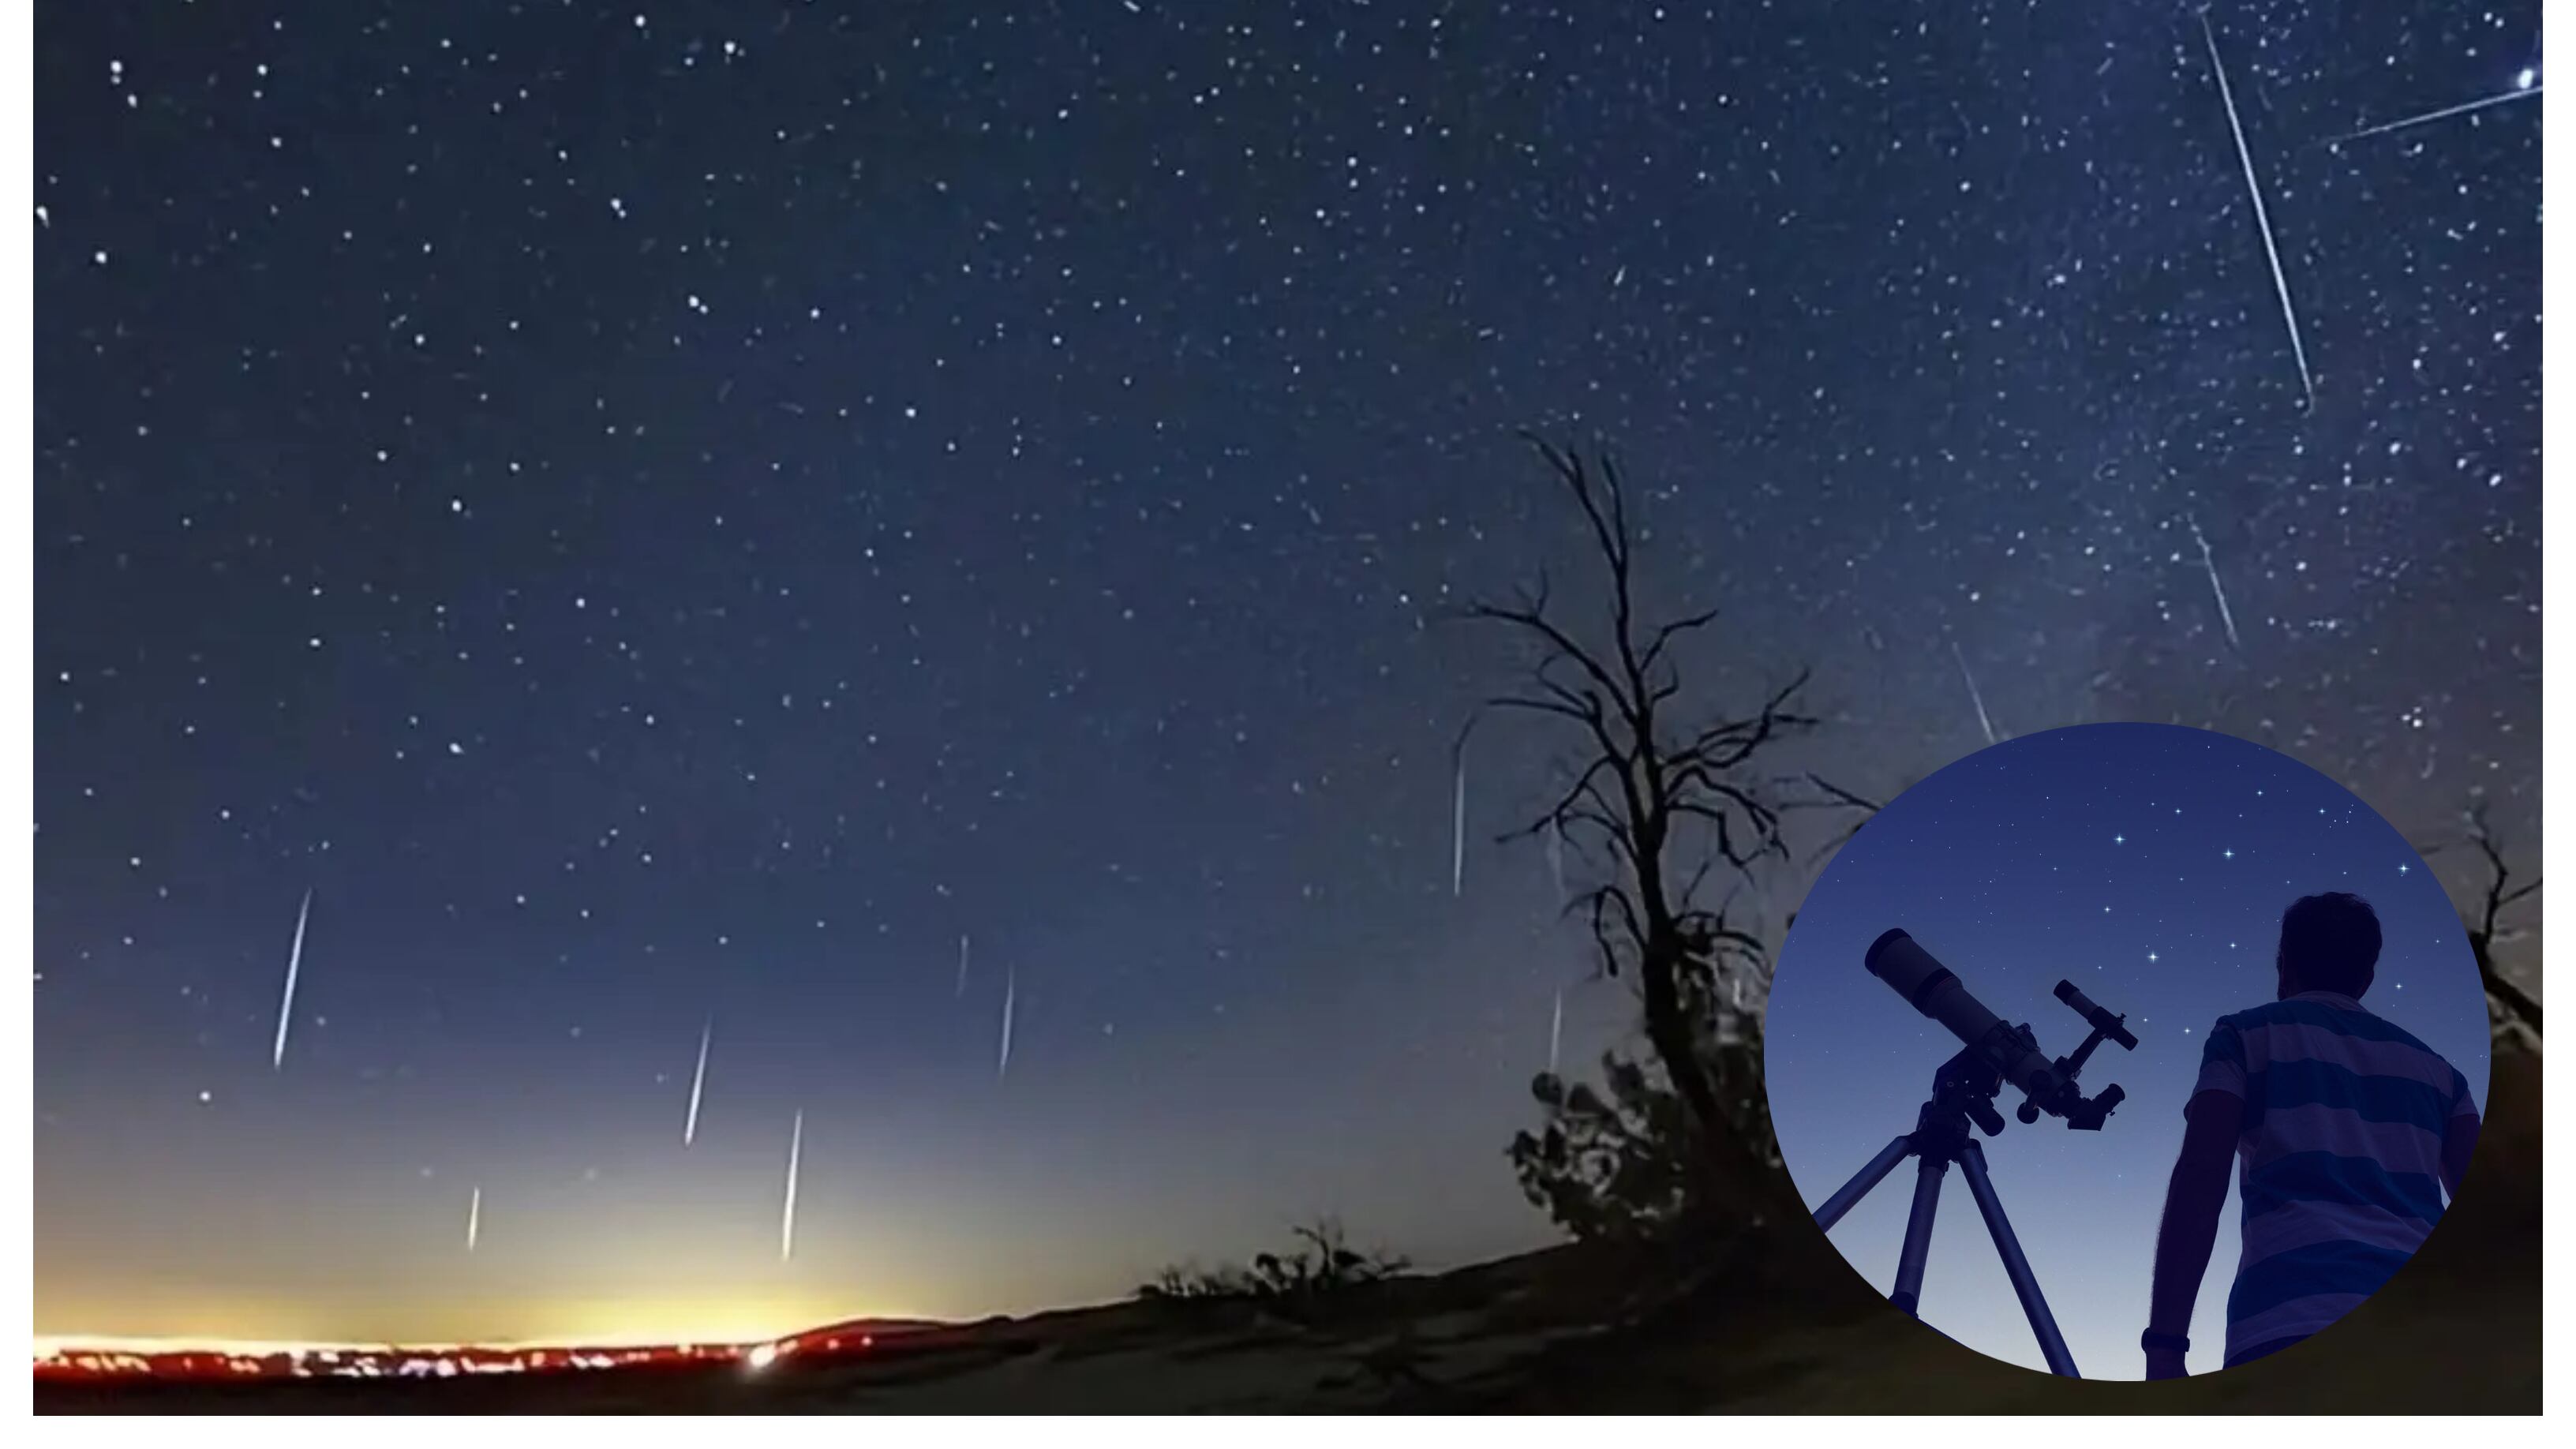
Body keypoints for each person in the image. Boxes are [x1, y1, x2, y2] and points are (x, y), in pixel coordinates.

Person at [2142, 892, 2480, 1380]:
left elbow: (2201, 1174)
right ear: (2367, 975)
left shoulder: (2244, 1035)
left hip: (2291, 1322)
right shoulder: (2443, 1075)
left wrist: (2166, 1344)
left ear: (2286, 963)